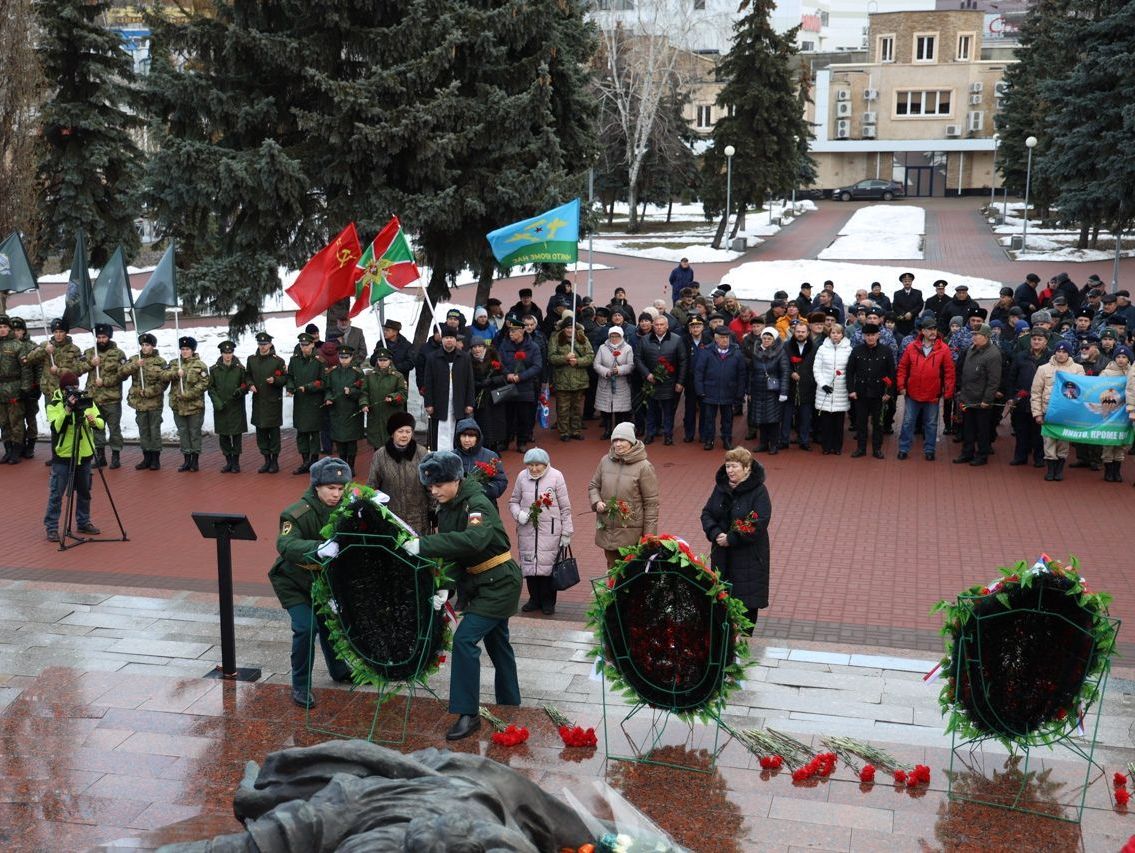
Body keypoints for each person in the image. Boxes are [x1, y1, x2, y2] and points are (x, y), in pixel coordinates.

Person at [402, 450, 522, 741]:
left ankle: (468, 714)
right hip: (479, 583)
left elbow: (474, 540)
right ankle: (510, 703)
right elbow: (456, 555)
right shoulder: (448, 507)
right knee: (498, 642)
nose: (434, 491)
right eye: (430, 486)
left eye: (439, 484)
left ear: (455, 479)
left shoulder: (476, 503)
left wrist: (423, 545)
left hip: (499, 583)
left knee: (465, 639)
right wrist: (447, 587)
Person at [270, 457, 353, 708]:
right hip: (294, 580)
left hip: (325, 581)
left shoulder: (346, 509)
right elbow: (285, 544)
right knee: (307, 629)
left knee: (331, 625)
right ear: (316, 486)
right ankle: (301, 686)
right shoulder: (296, 513)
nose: (336, 494)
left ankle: (339, 671)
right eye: (330, 488)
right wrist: (319, 548)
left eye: (340, 488)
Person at [700, 446, 771, 633]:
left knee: (746, 605)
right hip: (722, 557)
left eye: (734, 466)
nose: (729, 470)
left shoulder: (759, 491)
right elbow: (707, 513)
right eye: (727, 466)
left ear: (747, 468)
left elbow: (759, 522)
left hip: (749, 559)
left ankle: (744, 645)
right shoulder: (720, 488)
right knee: (723, 602)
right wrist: (716, 534)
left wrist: (732, 538)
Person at [508, 447, 572, 616]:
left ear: (545, 464)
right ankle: (533, 599)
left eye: (538, 465)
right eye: (530, 465)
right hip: (527, 530)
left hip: (550, 531)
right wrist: (518, 514)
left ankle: (548, 601)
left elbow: (565, 508)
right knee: (530, 566)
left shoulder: (557, 476)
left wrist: (566, 532)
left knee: (547, 567)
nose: (534, 469)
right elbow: (513, 501)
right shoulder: (522, 477)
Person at [587, 422, 659, 568]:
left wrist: (649, 537)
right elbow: (594, 486)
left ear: (631, 442)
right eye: (615, 440)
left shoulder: (644, 467)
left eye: (622, 440)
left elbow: (651, 504)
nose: (618, 444)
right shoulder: (605, 461)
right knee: (612, 571)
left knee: (630, 575)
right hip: (608, 529)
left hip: (631, 534)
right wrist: (597, 502)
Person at [43, 371, 103, 542]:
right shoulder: (55, 403)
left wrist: (92, 421)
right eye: (70, 389)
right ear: (63, 390)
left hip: (84, 454)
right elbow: (56, 427)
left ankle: (83, 522)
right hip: (64, 454)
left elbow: (100, 423)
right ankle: (52, 527)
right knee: (57, 493)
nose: (74, 392)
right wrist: (67, 409)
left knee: (84, 492)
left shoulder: (84, 400)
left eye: (76, 388)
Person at [24, 318, 89, 463]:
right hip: (50, 393)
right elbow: (28, 359)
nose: (58, 335)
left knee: (68, 423)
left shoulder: (74, 349)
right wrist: (44, 351)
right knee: (55, 424)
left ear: (66, 333)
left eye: (61, 332)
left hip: (67, 393)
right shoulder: (46, 345)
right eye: (56, 332)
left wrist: (59, 370)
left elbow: (79, 369)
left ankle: (69, 454)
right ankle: (55, 455)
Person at [896, 315, 955, 461]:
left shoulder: (944, 349)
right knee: (908, 421)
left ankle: (930, 450)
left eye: (934, 329)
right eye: (929, 329)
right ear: (922, 331)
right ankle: (903, 448)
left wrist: (948, 391)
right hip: (912, 393)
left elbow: (949, 372)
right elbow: (902, 367)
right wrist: (901, 386)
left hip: (932, 393)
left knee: (931, 423)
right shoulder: (911, 347)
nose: (932, 332)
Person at [366, 411, 431, 535]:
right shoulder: (380, 455)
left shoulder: (422, 453)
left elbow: (430, 484)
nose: (404, 435)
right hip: (391, 518)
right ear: (392, 433)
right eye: (400, 431)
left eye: (408, 431)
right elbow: (371, 486)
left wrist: (433, 510)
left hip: (418, 519)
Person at [1031, 340, 1084, 481]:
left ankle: (1059, 470)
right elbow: (1036, 393)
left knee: (1063, 443)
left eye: (1064, 352)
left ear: (1069, 353)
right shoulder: (1044, 369)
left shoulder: (1077, 369)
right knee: (1048, 443)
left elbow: (1082, 393)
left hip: (1067, 414)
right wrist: (1037, 413)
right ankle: (1050, 470)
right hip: (1048, 412)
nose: (1061, 354)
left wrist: (1076, 414)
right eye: (1058, 351)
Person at [953, 324, 1003, 467]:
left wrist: (987, 399)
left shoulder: (993, 354)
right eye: (973, 334)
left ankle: (982, 455)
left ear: (986, 337)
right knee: (968, 428)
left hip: (982, 400)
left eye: (977, 335)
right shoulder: (971, 349)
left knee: (982, 430)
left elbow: (994, 380)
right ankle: (967, 452)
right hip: (968, 397)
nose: (973, 337)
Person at [846, 323, 896, 459]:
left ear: (878, 335)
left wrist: (889, 393)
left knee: (878, 424)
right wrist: (851, 390)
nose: (870, 338)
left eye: (873, 335)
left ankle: (877, 449)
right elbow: (849, 372)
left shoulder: (886, 351)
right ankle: (861, 449)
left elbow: (892, 373)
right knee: (860, 423)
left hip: (879, 394)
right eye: (867, 335)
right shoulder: (856, 350)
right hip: (860, 393)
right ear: (863, 336)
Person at [121, 332, 169, 470]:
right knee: (143, 430)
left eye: (147, 345)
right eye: (142, 345)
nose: (144, 347)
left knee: (154, 429)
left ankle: (155, 459)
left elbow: (164, 383)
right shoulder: (135, 359)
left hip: (154, 402)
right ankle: (146, 457)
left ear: (153, 346)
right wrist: (135, 365)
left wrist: (149, 391)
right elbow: (122, 372)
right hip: (140, 402)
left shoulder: (160, 362)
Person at [423, 327, 475, 452]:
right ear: (442, 340)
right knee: (438, 431)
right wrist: (428, 403)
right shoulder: (432, 358)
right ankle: (439, 456)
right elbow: (428, 382)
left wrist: (469, 403)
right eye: (446, 338)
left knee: (457, 430)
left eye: (451, 338)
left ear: (456, 340)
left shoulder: (464, 357)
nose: (449, 341)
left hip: (458, 401)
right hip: (439, 401)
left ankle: (456, 455)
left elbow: (470, 381)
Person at [637, 314, 686, 445]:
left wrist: (680, 382)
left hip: (669, 382)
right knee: (651, 410)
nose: (659, 327)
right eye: (656, 325)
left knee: (668, 411)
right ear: (653, 326)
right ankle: (650, 434)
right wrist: (647, 374)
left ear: (667, 326)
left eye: (661, 325)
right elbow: (638, 359)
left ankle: (668, 435)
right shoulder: (645, 340)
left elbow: (682, 362)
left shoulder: (677, 340)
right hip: (650, 382)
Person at [696, 325, 747, 451]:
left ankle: (727, 439)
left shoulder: (736, 353)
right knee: (709, 419)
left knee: (727, 419)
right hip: (710, 390)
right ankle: (709, 440)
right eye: (722, 338)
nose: (725, 340)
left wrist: (740, 392)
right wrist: (700, 390)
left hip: (729, 391)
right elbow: (699, 372)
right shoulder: (707, 351)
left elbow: (742, 374)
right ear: (716, 339)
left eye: (727, 338)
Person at [82, 324, 126, 468]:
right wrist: (90, 363)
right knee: (96, 427)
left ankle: (116, 456)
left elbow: (122, 374)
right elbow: (77, 369)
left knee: (114, 429)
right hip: (94, 398)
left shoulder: (118, 354)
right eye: (99, 337)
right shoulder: (89, 352)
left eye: (104, 337)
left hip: (111, 398)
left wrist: (105, 382)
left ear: (109, 337)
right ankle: (100, 456)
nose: (101, 340)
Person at [1005, 329, 1050, 468]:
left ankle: (1039, 458)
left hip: (1041, 401)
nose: (1036, 341)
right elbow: (1011, 377)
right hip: (1022, 399)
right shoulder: (1021, 356)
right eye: (1034, 339)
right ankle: (1020, 456)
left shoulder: (1051, 357)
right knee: (1021, 430)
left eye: (1040, 339)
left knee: (1038, 432)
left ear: (1046, 341)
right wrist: (1011, 397)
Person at [496, 317, 542, 453]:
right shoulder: (504, 345)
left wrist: (521, 376)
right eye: (510, 330)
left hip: (525, 387)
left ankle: (522, 442)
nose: (510, 333)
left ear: (522, 331)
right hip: (508, 386)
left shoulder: (532, 347)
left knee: (524, 417)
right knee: (506, 416)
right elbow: (499, 362)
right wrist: (507, 374)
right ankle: (505, 441)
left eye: (514, 330)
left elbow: (537, 366)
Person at [164, 336, 210, 473]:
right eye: (182, 349)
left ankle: (195, 460)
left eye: (187, 349)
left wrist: (188, 395)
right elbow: (162, 375)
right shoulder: (174, 363)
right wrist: (175, 374)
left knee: (194, 433)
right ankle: (186, 459)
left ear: (193, 350)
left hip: (194, 406)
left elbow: (204, 384)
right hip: (178, 406)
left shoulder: (200, 365)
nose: (184, 351)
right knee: (183, 433)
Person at [246, 331, 287, 474]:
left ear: (270, 344)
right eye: (260, 344)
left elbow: (284, 379)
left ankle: (274, 461)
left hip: (273, 402)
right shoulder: (251, 360)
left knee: (274, 434)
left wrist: (275, 380)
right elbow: (247, 375)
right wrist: (250, 384)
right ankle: (266, 460)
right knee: (261, 433)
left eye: (265, 344)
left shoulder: (278, 361)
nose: (262, 347)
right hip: (258, 402)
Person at [286, 332, 325, 474]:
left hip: (314, 402)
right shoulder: (295, 360)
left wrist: (309, 387)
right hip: (300, 402)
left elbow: (323, 382)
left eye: (307, 345)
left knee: (314, 433)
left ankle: (314, 462)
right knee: (301, 432)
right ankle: (305, 461)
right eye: (302, 345)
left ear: (313, 344)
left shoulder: (319, 361)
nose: (304, 348)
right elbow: (289, 376)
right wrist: (290, 388)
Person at [208, 341, 249, 473]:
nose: (228, 355)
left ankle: (236, 462)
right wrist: (217, 402)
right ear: (221, 354)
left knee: (236, 436)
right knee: (224, 436)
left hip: (236, 406)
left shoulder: (240, 368)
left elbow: (245, 385)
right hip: (221, 407)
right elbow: (211, 388)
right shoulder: (214, 369)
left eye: (230, 353)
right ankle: (228, 461)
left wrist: (240, 391)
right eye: (225, 353)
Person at [747, 327, 789, 454]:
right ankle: (763, 443)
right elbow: (751, 372)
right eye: (764, 338)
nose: (766, 340)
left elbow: (785, 372)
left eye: (769, 338)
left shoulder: (780, 352)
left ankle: (774, 444)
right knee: (761, 418)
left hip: (773, 390)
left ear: (774, 340)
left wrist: (783, 391)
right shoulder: (755, 351)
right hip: (758, 389)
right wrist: (749, 390)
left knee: (773, 419)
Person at [813, 323, 852, 455]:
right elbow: (817, 368)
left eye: (838, 333)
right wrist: (823, 384)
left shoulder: (848, 349)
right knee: (826, 422)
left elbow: (850, 370)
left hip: (841, 390)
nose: (835, 335)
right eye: (833, 333)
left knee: (838, 423)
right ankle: (826, 446)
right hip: (824, 390)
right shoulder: (822, 349)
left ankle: (837, 447)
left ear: (842, 335)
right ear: (829, 334)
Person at [360, 348, 408, 451]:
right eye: (380, 360)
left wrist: (393, 397)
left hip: (391, 415)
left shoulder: (397, 376)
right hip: (375, 416)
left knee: (392, 446)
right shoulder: (369, 376)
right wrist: (364, 403)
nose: (382, 363)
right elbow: (364, 392)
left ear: (390, 360)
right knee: (377, 447)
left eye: (385, 360)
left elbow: (403, 394)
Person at [453, 417, 507, 506]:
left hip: (484, 505)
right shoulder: (452, 457)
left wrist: (481, 490)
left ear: (477, 437)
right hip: (459, 507)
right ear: (458, 437)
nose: (467, 440)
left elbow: (501, 482)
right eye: (463, 436)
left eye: (471, 436)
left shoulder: (491, 456)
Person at [780, 320, 817, 451]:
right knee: (786, 416)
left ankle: (804, 440)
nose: (800, 334)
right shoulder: (786, 346)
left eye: (803, 332)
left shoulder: (815, 347)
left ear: (808, 333)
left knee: (805, 416)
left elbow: (817, 366)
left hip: (807, 386)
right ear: (793, 332)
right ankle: (784, 440)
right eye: (798, 331)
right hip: (789, 386)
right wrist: (791, 373)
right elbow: (782, 363)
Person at [0, 315, 32, 465]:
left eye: (5, 327)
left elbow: (26, 369)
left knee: (16, 421)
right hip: (0, 389)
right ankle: (7, 449)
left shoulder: (17, 345)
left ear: (10, 328)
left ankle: (16, 451)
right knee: (3, 421)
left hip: (14, 387)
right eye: (0, 327)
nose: (2, 330)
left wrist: (25, 388)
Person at [593, 326, 634, 440]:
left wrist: (620, 370)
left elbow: (631, 365)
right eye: (612, 336)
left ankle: (618, 432)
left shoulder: (627, 348)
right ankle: (607, 430)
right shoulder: (602, 348)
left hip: (621, 383)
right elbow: (596, 364)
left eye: (617, 336)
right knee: (606, 409)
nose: (614, 338)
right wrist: (607, 372)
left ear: (621, 336)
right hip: (605, 383)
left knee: (620, 410)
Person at [468, 338, 508, 453]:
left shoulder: (494, 358)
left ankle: (495, 447)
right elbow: (467, 379)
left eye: (479, 346)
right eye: (474, 347)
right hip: (480, 398)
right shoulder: (468, 361)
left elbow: (504, 375)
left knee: (496, 422)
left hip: (495, 396)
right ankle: (484, 447)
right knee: (483, 423)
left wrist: (492, 380)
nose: (477, 350)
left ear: (484, 348)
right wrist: (478, 384)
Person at [1099, 345, 1132, 482]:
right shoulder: (1107, 373)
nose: (1121, 359)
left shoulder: (1132, 372)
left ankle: (1117, 470)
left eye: (1124, 357)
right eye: (1118, 357)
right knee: (1109, 440)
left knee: (1121, 441)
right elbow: (1098, 389)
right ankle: (1108, 470)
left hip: (1124, 412)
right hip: (1110, 412)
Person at [9, 317, 39, 459]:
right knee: (16, 418)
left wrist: (36, 387)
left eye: (19, 330)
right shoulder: (8, 346)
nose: (16, 333)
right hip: (15, 389)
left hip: (30, 389)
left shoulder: (32, 346)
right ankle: (19, 444)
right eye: (13, 330)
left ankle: (31, 445)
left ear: (24, 331)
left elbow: (38, 368)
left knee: (30, 417)